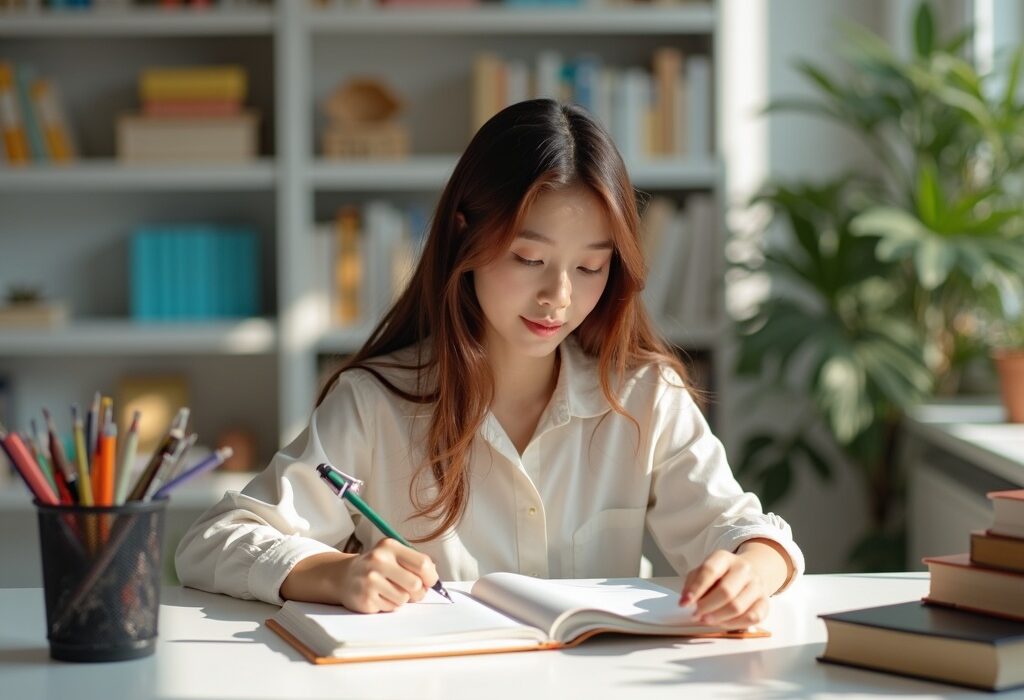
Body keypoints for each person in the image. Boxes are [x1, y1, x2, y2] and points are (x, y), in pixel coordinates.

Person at [176, 99, 804, 629]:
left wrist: (749, 570)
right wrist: (334, 572)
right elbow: (212, 542)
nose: (559, 296)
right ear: (465, 238)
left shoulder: (643, 396)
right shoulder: (376, 403)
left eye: (590, 267)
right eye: (529, 258)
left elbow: (744, 529)